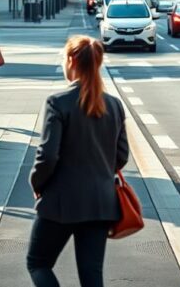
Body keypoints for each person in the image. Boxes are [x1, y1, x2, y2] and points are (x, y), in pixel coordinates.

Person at [27, 35, 128, 287]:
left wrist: (37, 183)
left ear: (71, 60)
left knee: (38, 263)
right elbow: (121, 155)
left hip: (60, 202)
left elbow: (48, 155)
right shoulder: (114, 105)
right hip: (101, 202)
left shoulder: (58, 102)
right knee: (91, 275)